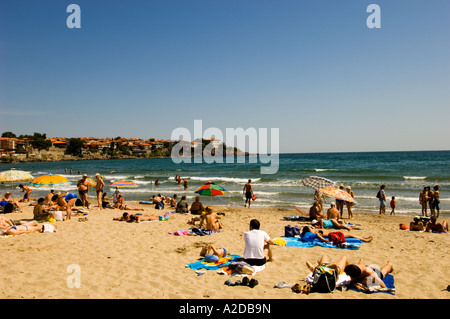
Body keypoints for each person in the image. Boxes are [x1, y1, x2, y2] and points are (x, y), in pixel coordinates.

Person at [301, 225, 373, 243]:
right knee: (351, 235)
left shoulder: (304, 234)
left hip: (331, 234)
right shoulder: (311, 233)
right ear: (308, 230)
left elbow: (301, 235)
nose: (311, 228)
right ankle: (365, 240)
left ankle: (363, 238)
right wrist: (325, 241)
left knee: (350, 235)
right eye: (310, 228)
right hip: (332, 236)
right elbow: (318, 235)